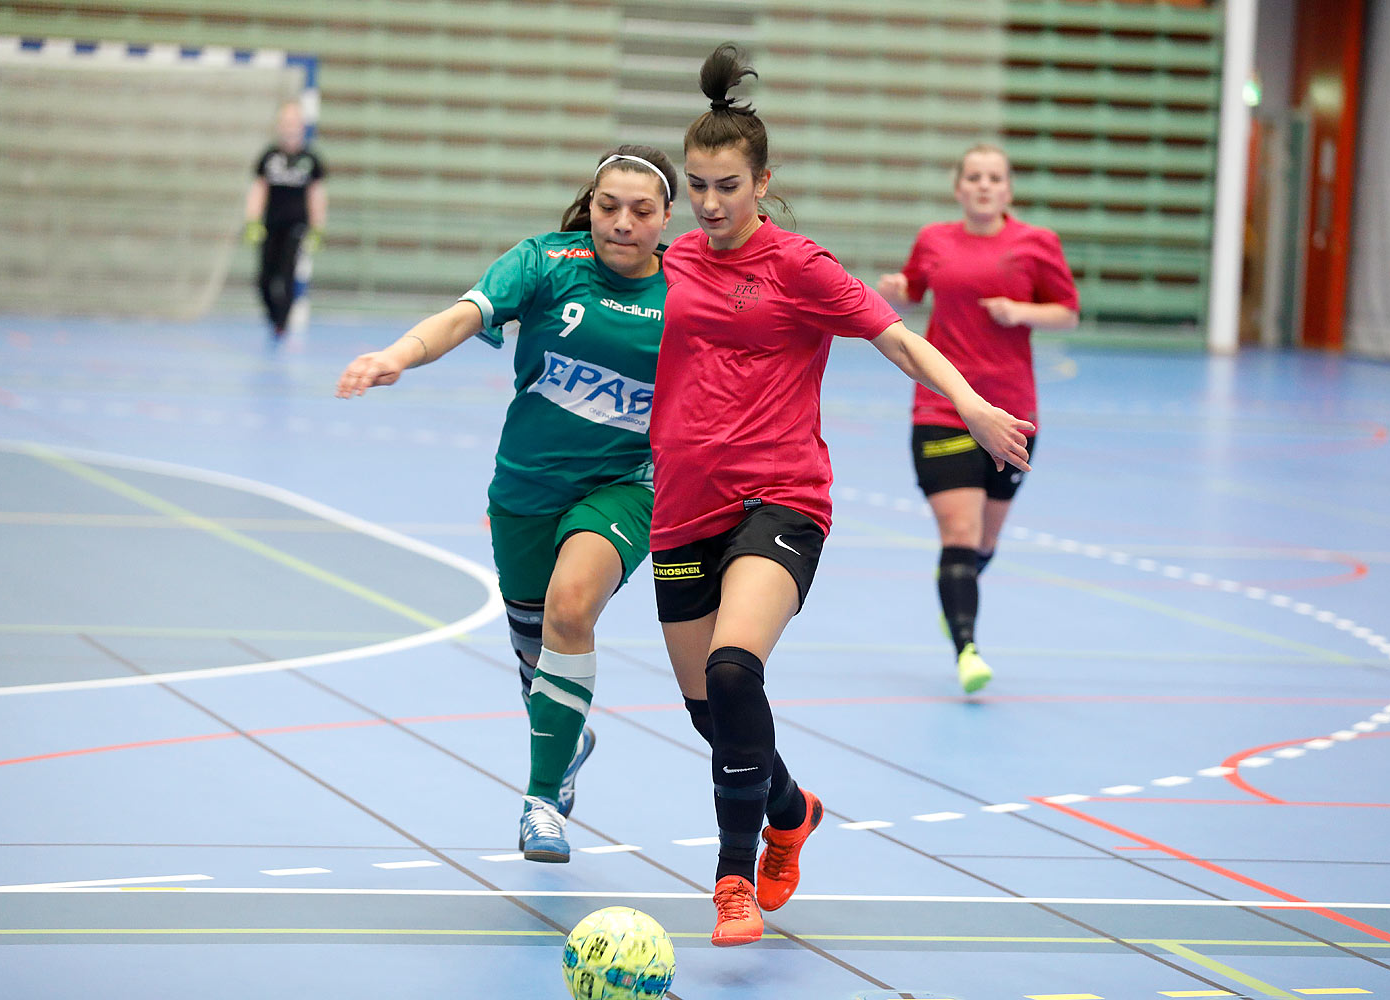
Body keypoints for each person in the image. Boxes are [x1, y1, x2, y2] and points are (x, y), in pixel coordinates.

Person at [650, 44, 1034, 947]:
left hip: (782, 496)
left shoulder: (800, 266)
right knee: (713, 714)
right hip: (681, 505)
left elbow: (898, 340)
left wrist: (971, 405)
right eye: (697, 186)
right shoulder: (667, 266)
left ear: (763, 181)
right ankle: (791, 808)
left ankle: (732, 878)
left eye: (727, 186)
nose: (709, 203)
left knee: (734, 669)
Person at [334, 144, 677, 863]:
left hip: (624, 485)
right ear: (591, 204)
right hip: (525, 489)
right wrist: (399, 353)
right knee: (537, 660)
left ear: (666, 216)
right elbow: (464, 315)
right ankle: (566, 736)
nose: (621, 222)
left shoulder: (686, 290)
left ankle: (541, 803)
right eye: (608, 206)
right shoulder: (546, 264)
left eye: (641, 210)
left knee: (570, 607)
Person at [876, 144, 1078, 694]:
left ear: (1008, 190)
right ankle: (967, 647)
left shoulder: (1037, 244)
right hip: (943, 407)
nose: (984, 186)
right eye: (974, 177)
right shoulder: (935, 240)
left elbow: (1067, 311)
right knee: (960, 532)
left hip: (1014, 410)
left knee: (983, 544)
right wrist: (899, 290)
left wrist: (1022, 312)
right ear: (959, 187)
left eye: (995, 178)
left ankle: (956, 592)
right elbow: (916, 291)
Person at [245, 101, 328, 343]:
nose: (290, 127)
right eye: (286, 122)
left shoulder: (310, 159)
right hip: (270, 225)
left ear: (302, 126)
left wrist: (317, 227)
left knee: (288, 274)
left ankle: (282, 323)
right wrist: (252, 220)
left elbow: (317, 195)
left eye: (295, 122)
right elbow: (258, 189)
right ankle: (273, 316)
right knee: (264, 278)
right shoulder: (269, 157)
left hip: (296, 226)